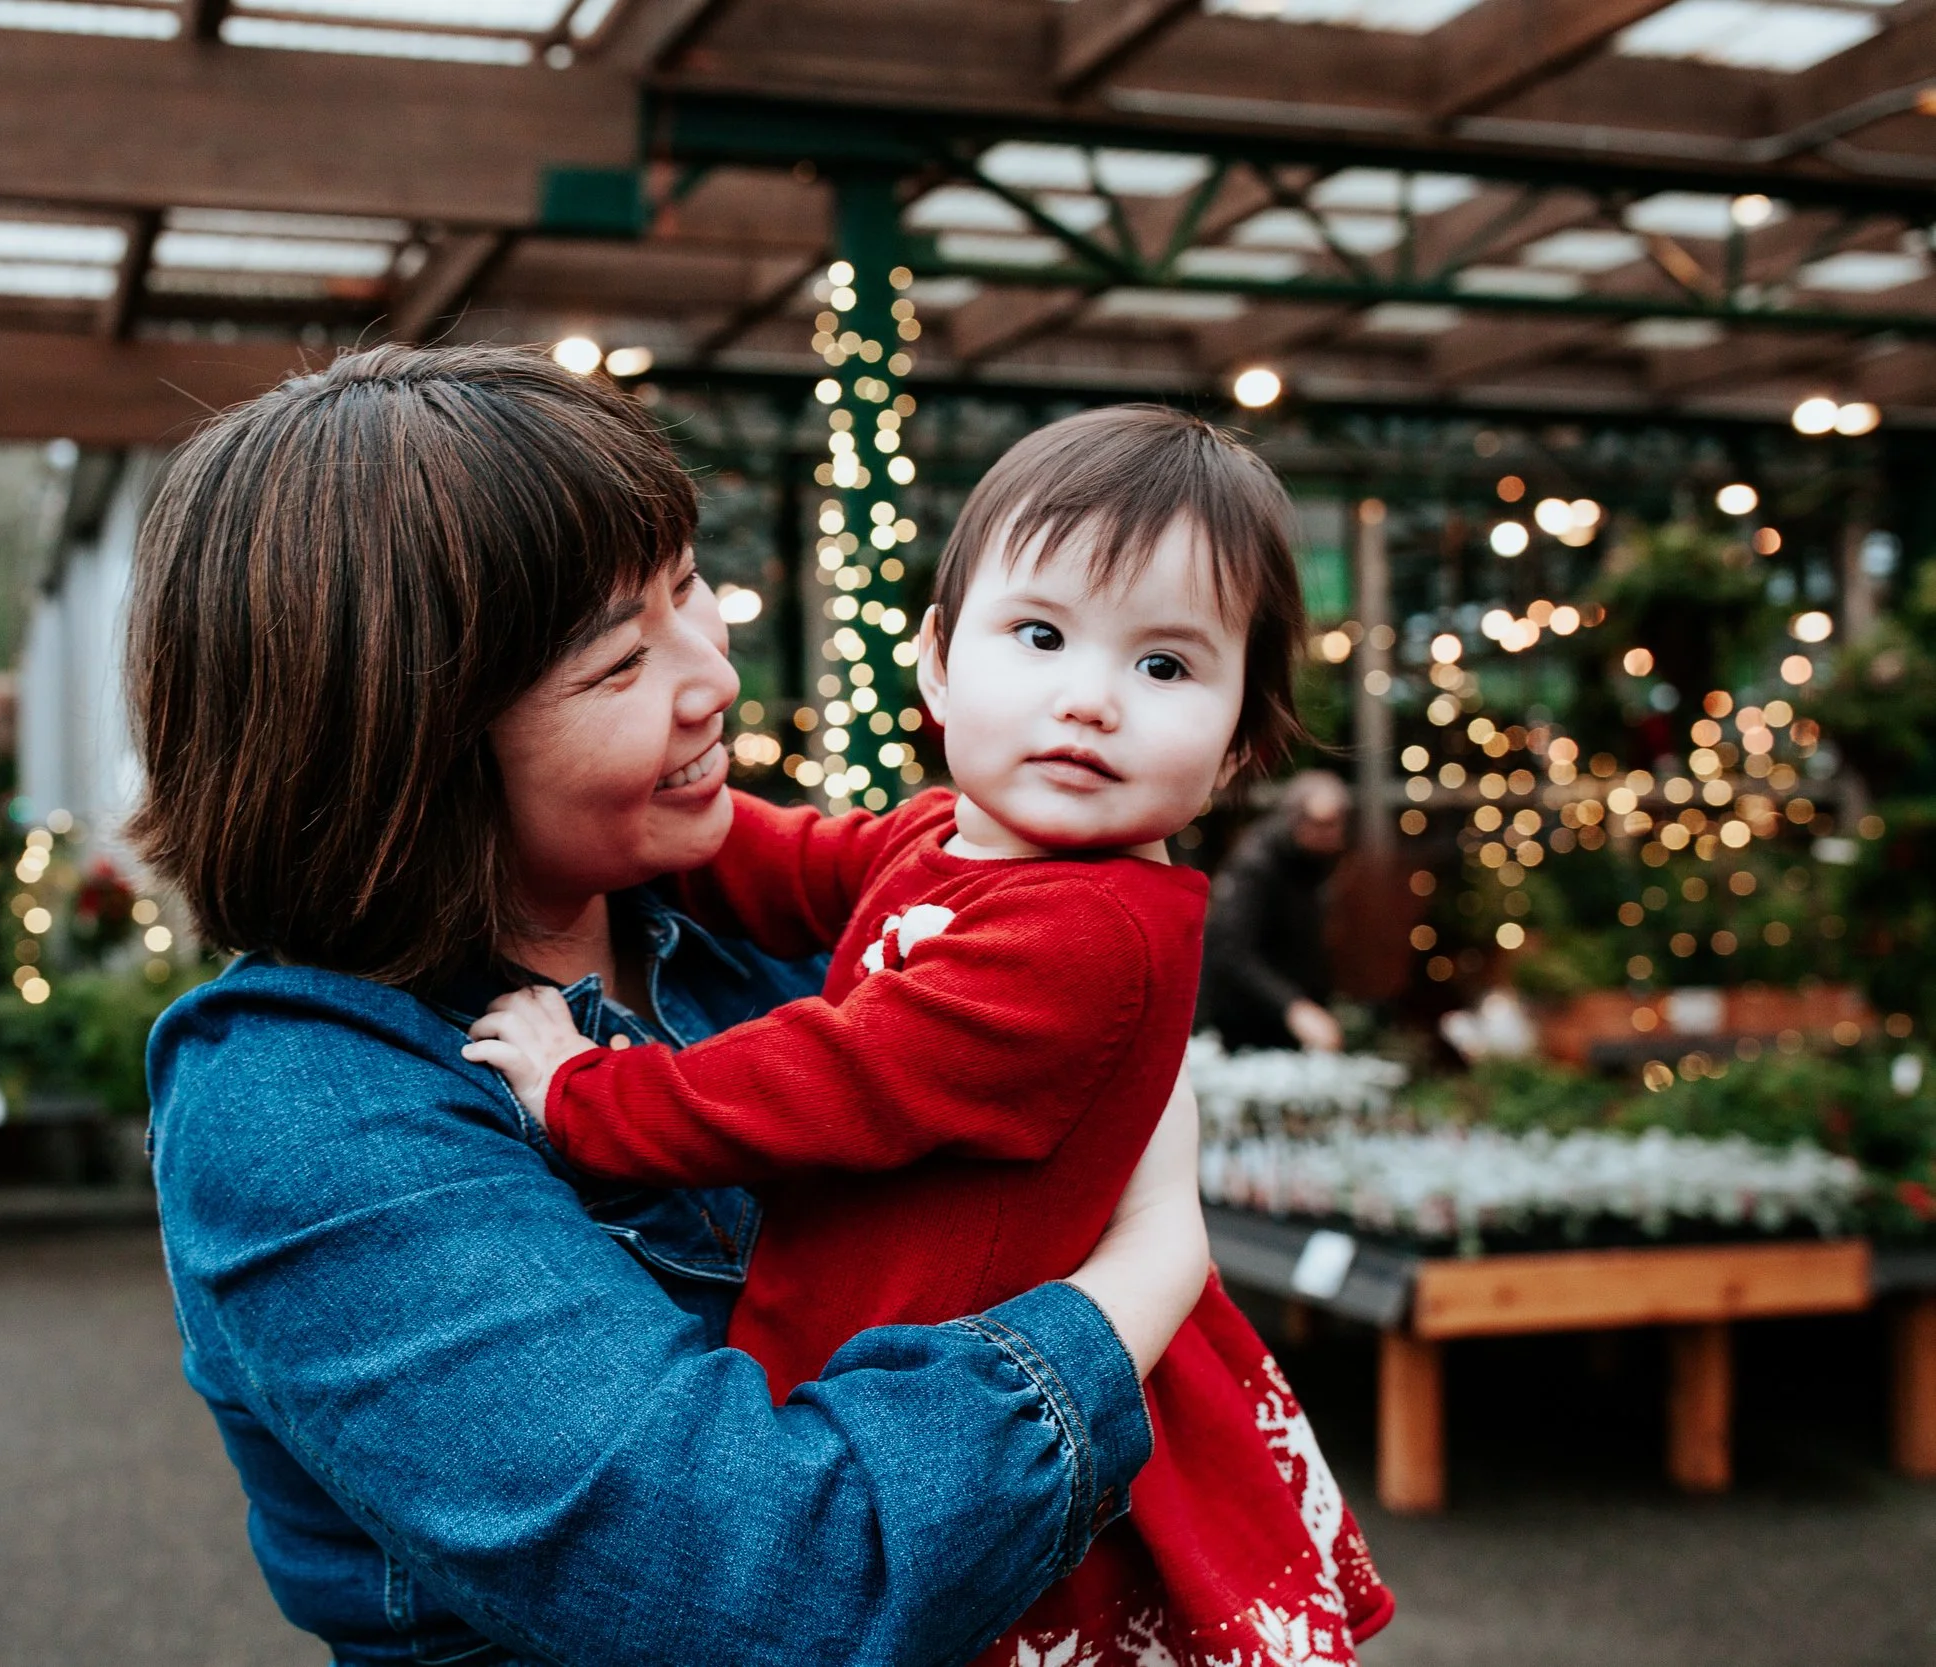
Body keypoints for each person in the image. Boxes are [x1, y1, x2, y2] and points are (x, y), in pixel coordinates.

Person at [127, 345, 1208, 1667]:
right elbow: (779, 1582)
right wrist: (1141, 1276)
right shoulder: (310, 1108)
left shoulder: (731, 925)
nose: (714, 677)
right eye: (619, 662)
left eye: (691, 588)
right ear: (413, 750)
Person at [467, 407, 1391, 1667]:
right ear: (942, 663)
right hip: (858, 1347)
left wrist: (586, 1092)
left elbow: (828, 1079)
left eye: (1165, 666)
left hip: (936, 1398)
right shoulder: (949, 833)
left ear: (1237, 742)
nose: (1089, 700)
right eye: (1042, 634)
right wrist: (656, 799)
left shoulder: (1089, 931)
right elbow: (788, 856)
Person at [1197, 769, 1352, 1052]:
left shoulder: (1317, 861)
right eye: (1320, 825)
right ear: (1295, 819)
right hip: (1241, 1024)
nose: (1330, 834)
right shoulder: (1255, 866)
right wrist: (1293, 1007)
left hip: (1290, 1012)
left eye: (1336, 824)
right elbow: (1230, 950)